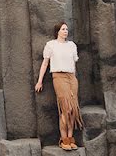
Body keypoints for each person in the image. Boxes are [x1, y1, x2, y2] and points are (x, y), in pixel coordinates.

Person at [35, 22, 83, 151]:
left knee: (73, 110)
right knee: (65, 109)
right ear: (58, 31)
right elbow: (45, 64)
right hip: (59, 76)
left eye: (67, 29)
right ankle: (63, 139)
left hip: (71, 77)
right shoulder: (51, 45)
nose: (65, 31)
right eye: (63, 29)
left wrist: (74, 79)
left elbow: (74, 64)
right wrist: (40, 81)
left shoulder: (72, 45)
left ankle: (70, 137)